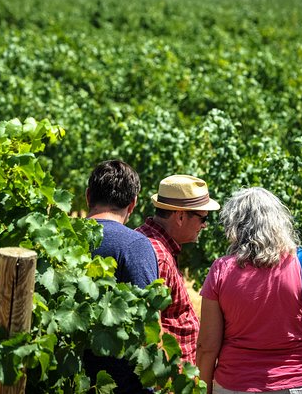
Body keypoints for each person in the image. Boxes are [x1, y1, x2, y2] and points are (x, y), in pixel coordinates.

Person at [197, 187, 302, 394]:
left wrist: (203, 389)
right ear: (279, 221)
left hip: (235, 384)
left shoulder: (221, 269)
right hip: (297, 383)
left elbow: (207, 346)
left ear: (235, 225)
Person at [83, 160, 158, 393]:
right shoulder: (135, 246)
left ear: (88, 196)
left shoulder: (59, 238)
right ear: (133, 203)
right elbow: (147, 326)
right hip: (122, 386)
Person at [136, 174, 220, 364]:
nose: (205, 225)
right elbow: (151, 329)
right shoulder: (160, 257)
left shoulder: (155, 243)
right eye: (202, 218)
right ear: (180, 216)